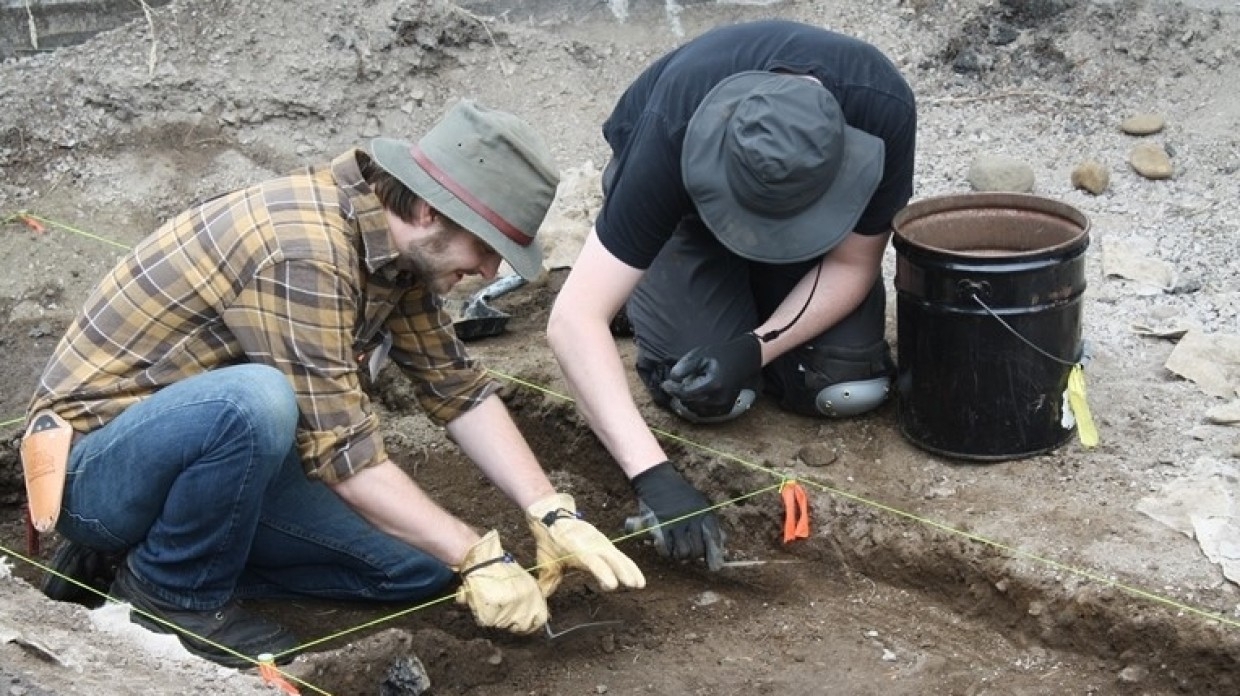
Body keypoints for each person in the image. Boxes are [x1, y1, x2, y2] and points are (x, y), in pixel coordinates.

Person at [23, 99, 645, 669]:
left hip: (212, 471)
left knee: (421, 571)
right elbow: (342, 451)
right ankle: (169, 595)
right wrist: (477, 553)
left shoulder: (397, 254)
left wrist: (548, 509)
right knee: (254, 400)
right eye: (486, 248)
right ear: (430, 210)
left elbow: (457, 389)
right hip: (91, 472)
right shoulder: (305, 250)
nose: (488, 271)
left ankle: (134, 562)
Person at [546, 20, 917, 570]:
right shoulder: (671, 127)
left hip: (806, 230)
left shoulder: (881, 108)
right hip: (684, 217)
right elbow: (572, 321)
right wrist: (655, 477)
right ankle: (639, 284)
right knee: (707, 395)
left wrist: (754, 347)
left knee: (844, 389)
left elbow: (852, 261)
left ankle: (743, 297)